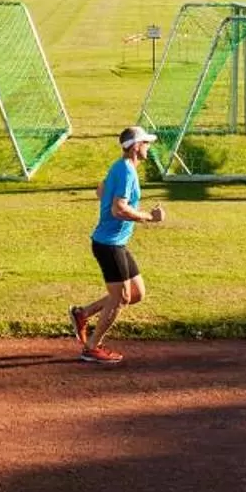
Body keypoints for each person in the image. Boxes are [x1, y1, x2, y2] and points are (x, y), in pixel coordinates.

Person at [68, 126, 164, 366]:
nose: (148, 148)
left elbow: (100, 191)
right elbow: (118, 208)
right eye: (146, 143)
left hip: (115, 242)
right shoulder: (126, 172)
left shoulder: (121, 167)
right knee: (120, 297)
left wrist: (112, 191)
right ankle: (91, 348)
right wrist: (149, 217)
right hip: (108, 244)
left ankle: (83, 313)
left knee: (136, 294)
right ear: (135, 146)